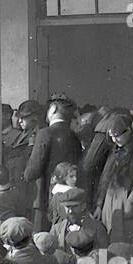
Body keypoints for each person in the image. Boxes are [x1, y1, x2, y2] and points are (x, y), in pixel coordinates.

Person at [95, 114, 133, 245]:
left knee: (130, 242)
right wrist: (99, 205)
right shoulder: (115, 151)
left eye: (117, 135)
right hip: (110, 200)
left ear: (129, 130)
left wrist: (132, 200)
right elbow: (105, 179)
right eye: (111, 136)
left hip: (130, 200)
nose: (114, 140)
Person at [25, 98, 83, 231]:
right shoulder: (74, 137)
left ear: (54, 110)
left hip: (45, 198)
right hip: (69, 198)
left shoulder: (44, 133)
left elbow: (32, 172)